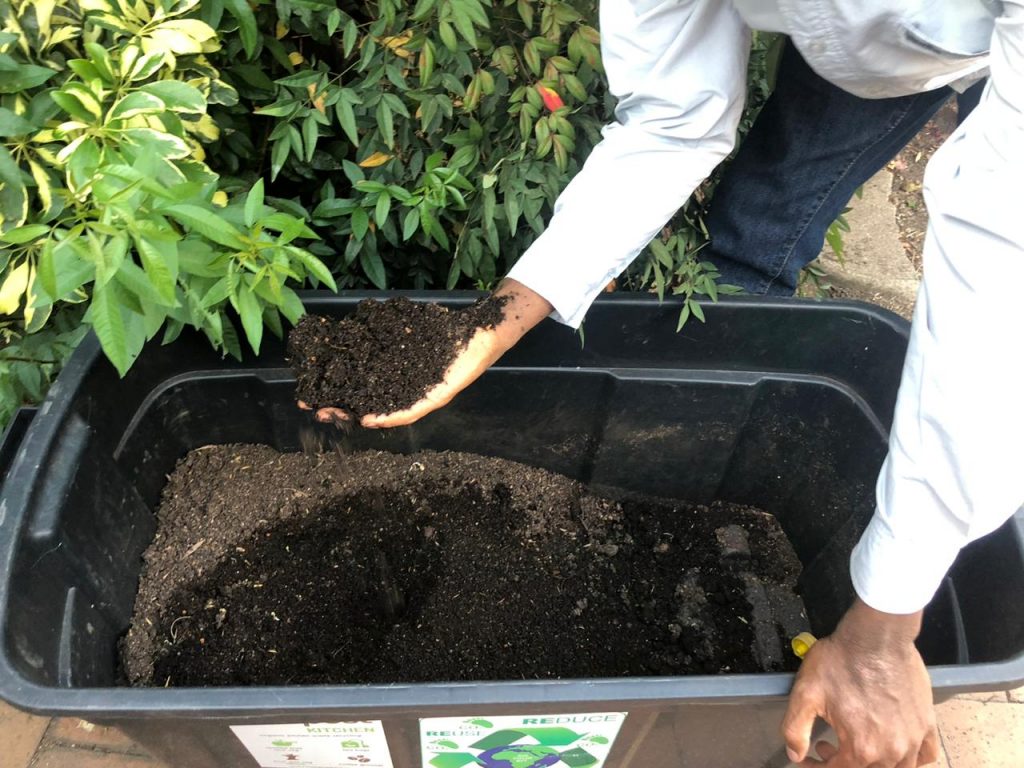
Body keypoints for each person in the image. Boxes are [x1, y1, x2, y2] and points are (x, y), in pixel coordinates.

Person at [309, 3, 1024, 765]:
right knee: (760, 219)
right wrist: (489, 328)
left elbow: (999, 266)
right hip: (863, 43)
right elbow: (673, 121)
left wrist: (883, 627)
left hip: (957, 42)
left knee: (806, 239)